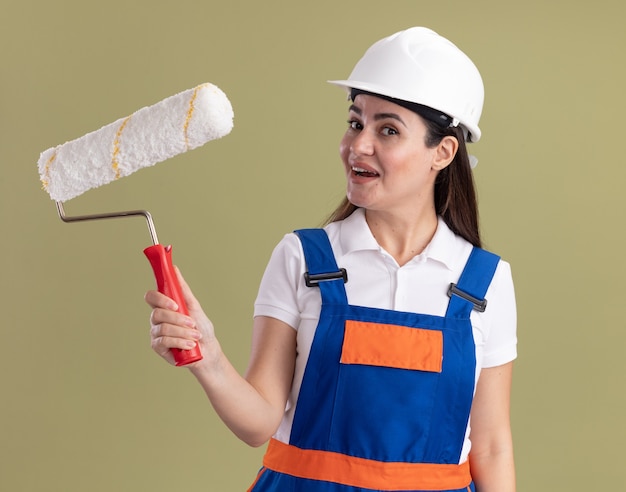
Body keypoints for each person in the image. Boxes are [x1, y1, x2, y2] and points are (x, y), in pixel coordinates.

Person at [146, 26, 517, 492]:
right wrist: (209, 356)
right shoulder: (303, 258)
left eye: (388, 129)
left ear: (442, 153)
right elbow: (259, 421)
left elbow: (491, 447)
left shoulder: (484, 282)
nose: (358, 145)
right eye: (356, 122)